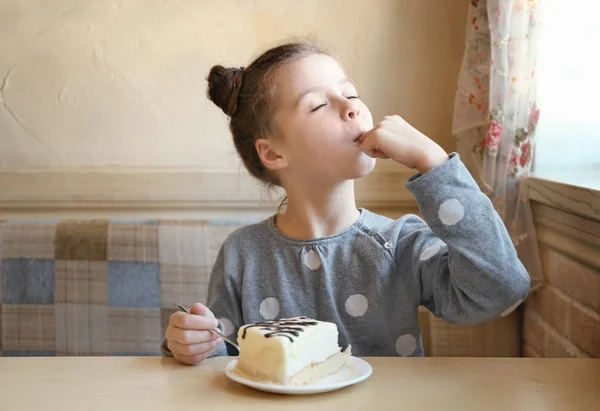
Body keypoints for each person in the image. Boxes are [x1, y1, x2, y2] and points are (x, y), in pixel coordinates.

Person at [162, 41, 530, 365]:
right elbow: (224, 359)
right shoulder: (242, 254)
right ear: (272, 152)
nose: (351, 108)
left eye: (351, 95)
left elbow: (502, 289)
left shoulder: (401, 244)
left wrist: (433, 162)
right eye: (319, 104)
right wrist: (195, 346)